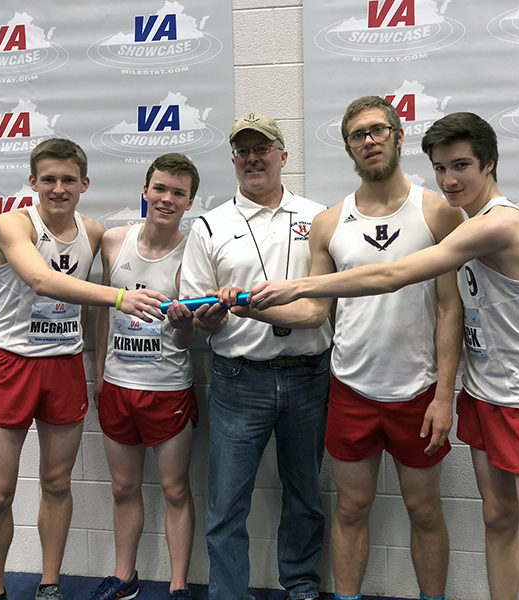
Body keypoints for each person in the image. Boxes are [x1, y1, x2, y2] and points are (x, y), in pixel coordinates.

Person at [250, 112, 519, 600]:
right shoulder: (465, 220)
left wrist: (297, 283)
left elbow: (393, 275)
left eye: (462, 166)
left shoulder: (496, 223)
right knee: (496, 521)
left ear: (490, 163)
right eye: (441, 168)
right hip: (482, 392)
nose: (450, 180)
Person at [226, 96, 464, 600]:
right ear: (349, 148)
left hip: (418, 393)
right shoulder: (330, 223)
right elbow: (313, 311)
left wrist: (445, 394)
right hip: (351, 390)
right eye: (358, 135)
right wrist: (248, 307)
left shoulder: (439, 213)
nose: (369, 141)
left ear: (398, 136)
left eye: (378, 130)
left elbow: (450, 309)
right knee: (351, 509)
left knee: (424, 511)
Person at [0, 138, 167, 600]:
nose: (58, 188)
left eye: (67, 180)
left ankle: (50, 583)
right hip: (11, 364)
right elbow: (41, 279)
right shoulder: (12, 223)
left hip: (63, 364)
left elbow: (136, 254)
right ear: (32, 182)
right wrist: (121, 298)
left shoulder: (94, 231)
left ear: (84, 183)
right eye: (48, 180)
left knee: (57, 482)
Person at [179, 113, 333, 600]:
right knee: (226, 504)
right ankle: (228, 595)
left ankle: (302, 586)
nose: (252, 158)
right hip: (238, 378)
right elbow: (201, 313)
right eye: (243, 151)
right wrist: (211, 317)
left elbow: (331, 299)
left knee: (306, 495)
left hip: (310, 376)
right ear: (234, 161)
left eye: (262, 148)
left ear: (282, 156)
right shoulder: (209, 225)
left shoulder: (319, 217)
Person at [89, 154, 201, 600]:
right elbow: (103, 312)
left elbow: (188, 336)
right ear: (145, 190)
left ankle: (177, 587)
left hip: (167, 388)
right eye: (160, 188)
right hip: (117, 386)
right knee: (123, 486)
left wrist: (183, 321)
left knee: (175, 488)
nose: (167, 199)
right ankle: (125, 576)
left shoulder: (193, 253)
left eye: (178, 192)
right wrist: (99, 373)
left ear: (190, 201)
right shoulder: (114, 241)